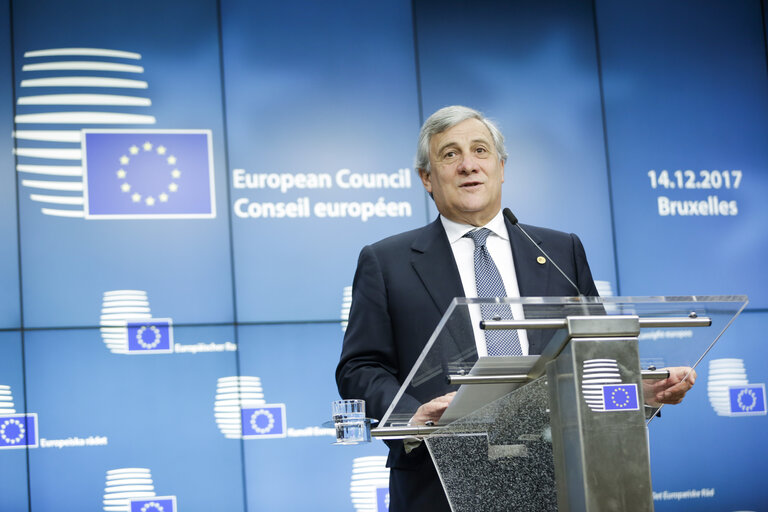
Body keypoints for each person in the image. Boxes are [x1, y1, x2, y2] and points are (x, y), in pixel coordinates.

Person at [335, 105, 695, 511]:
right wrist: (412, 415)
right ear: (427, 179)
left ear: (501, 167)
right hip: (438, 481)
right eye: (450, 155)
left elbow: (597, 357)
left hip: (560, 472)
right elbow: (359, 368)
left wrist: (635, 390)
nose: (468, 165)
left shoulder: (560, 250)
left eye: (481, 151)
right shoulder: (387, 262)